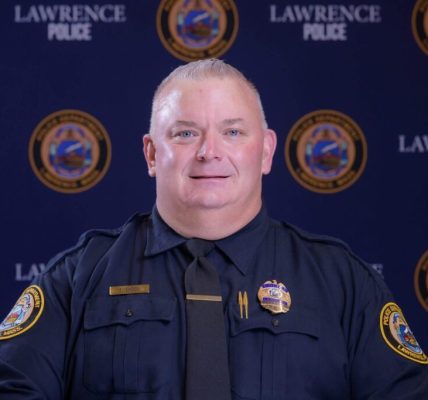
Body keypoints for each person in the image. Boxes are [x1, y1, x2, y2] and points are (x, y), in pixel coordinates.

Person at [0, 58, 427, 399]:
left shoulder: (342, 282)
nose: (209, 152)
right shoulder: (77, 278)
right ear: (151, 154)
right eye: (185, 133)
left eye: (233, 132)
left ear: (266, 151)